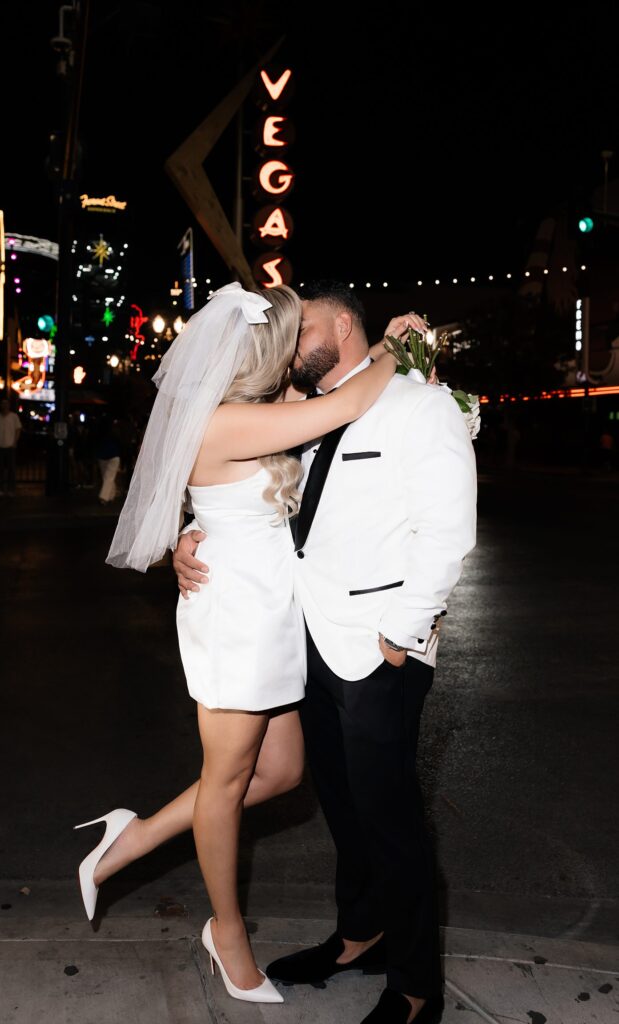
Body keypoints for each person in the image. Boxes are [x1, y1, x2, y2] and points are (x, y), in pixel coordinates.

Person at [73, 282, 398, 1005]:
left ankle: (134, 836)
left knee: (280, 774)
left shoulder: (261, 411)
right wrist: (397, 350)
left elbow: (335, 390)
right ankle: (227, 932)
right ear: (265, 351)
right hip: (235, 621)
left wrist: (374, 346)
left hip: (268, 614)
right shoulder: (221, 423)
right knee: (224, 784)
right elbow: (346, 403)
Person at [174, 282, 478, 1024]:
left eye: (299, 324)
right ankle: (358, 934)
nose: (285, 343)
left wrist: (398, 639)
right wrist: (192, 534)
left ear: (342, 324)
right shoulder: (292, 416)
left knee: (390, 817)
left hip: (377, 652)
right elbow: (254, 503)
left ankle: (412, 988)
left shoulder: (417, 404)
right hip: (302, 641)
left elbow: (446, 533)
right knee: (341, 807)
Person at [0, 397, 21, 496]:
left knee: (11, 469)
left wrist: (15, 441)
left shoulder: (14, 416)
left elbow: (18, 429)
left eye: (6, 404)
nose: (4, 405)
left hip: (10, 445)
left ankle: (11, 490)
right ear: (0, 405)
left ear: (9, 405)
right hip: (0, 445)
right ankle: (0, 489)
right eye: (3, 404)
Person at [95, 418, 121, 504]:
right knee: (109, 477)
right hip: (113, 455)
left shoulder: (99, 432)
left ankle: (105, 497)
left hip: (103, 456)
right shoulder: (115, 432)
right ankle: (109, 495)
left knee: (107, 477)